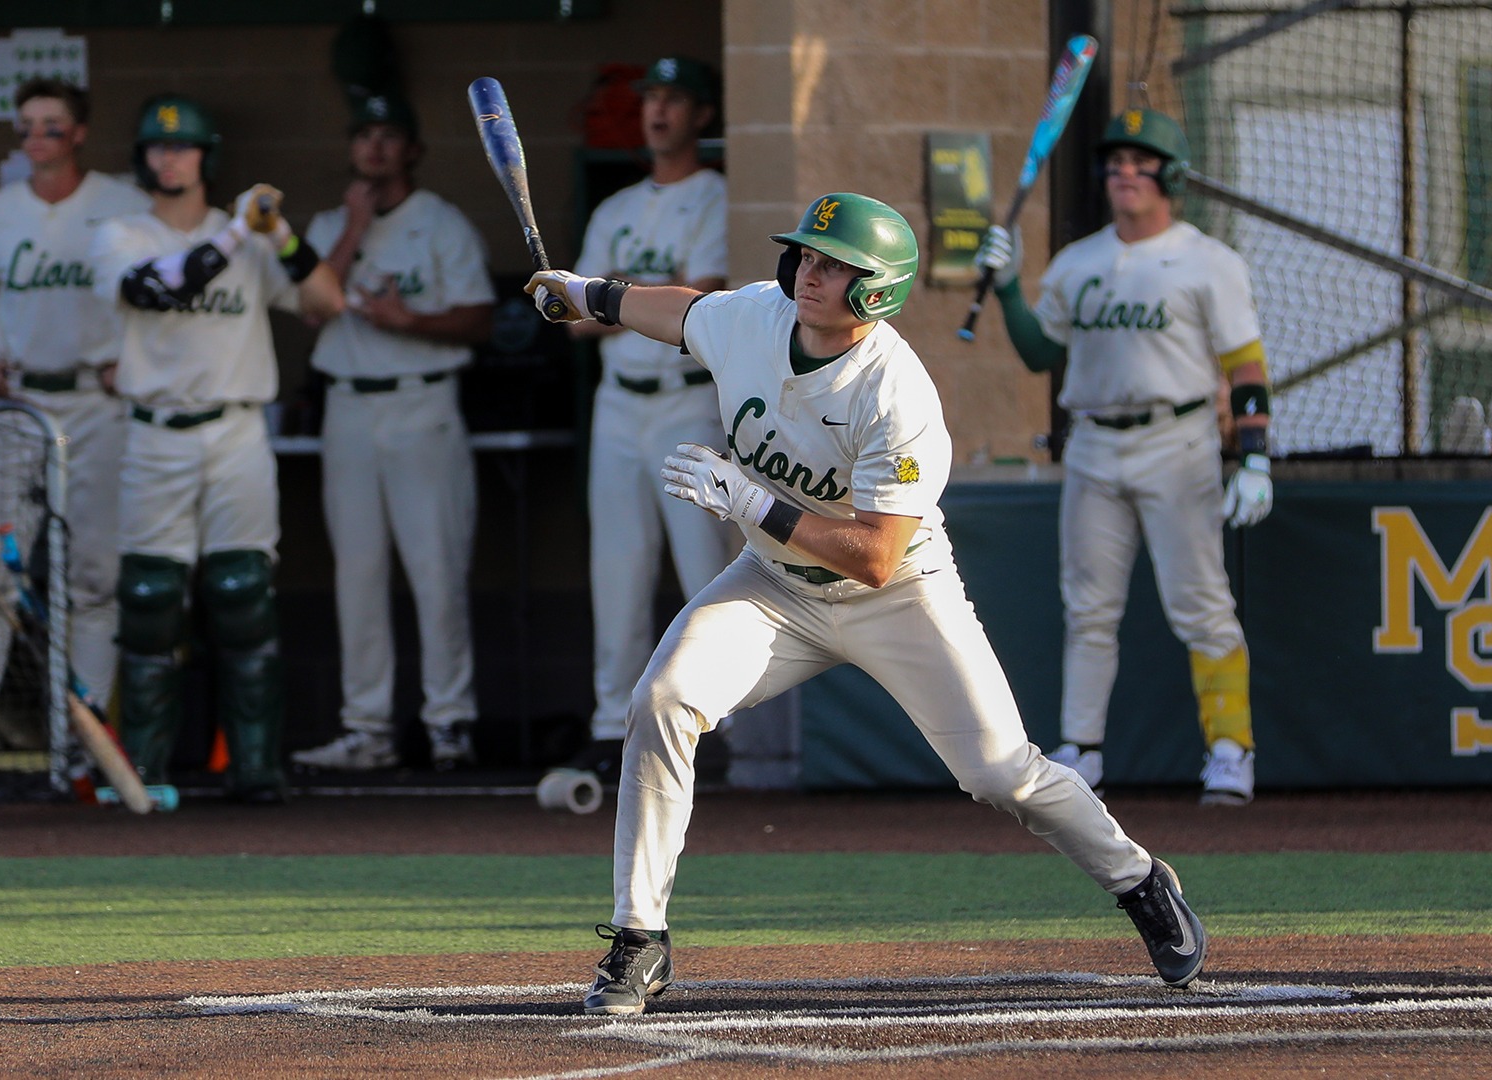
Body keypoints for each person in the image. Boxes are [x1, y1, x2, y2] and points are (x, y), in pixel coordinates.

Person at [527, 192, 1208, 1016]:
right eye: (806, 257)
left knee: (1001, 773)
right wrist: (586, 294)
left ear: (876, 289)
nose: (808, 275)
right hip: (775, 585)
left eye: (832, 266)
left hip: (901, 595)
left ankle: (1139, 881)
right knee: (662, 700)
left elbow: (877, 557)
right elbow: (682, 312)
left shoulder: (897, 391)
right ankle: (640, 938)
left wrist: (752, 502)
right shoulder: (756, 315)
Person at [974, 107, 1269, 804]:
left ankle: (1231, 749)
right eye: (1115, 163)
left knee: (1201, 603)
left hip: (1179, 439)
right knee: (1088, 606)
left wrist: (1255, 456)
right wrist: (1010, 287)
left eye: (1141, 162)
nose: (1124, 173)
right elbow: (1040, 353)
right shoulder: (1077, 262)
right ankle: (1082, 750)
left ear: (1172, 175)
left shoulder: (1209, 261)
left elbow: (1247, 365)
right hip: (1094, 442)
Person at [88, 94, 345, 803]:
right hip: (154, 431)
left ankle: (255, 767)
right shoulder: (120, 234)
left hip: (235, 430)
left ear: (208, 156)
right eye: (158, 146)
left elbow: (327, 301)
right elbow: (161, 289)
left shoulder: (250, 239)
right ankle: (141, 774)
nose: (170, 158)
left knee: (242, 592)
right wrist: (239, 231)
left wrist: (281, 234)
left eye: (184, 147)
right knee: (150, 597)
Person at [0, 78, 150, 763]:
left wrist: (141, 357)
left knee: (95, 576)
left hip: (98, 404)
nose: (37, 137)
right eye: (26, 125)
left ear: (79, 133)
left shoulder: (123, 205)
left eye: (52, 124)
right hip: (19, 404)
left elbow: (168, 292)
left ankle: (84, 735)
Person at [287, 93, 494, 773]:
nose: (374, 147)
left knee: (435, 569)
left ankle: (449, 723)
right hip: (348, 407)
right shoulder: (328, 224)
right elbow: (314, 309)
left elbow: (480, 319)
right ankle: (366, 727)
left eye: (388, 135)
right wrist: (354, 226)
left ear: (412, 149)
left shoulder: (440, 221)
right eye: (364, 135)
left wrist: (411, 323)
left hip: (422, 403)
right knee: (358, 573)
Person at [557, 56, 737, 787]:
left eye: (674, 99)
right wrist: (619, 300)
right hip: (618, 402)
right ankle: (614, 724)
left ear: (702, 114)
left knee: (705, 569)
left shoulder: (717, 196)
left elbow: (697, 302)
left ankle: (717, 725)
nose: (658, 111)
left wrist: (611, 297)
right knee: (618, 567)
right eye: (651, 98)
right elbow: (576, 319)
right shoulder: (616, 209)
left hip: (687, 398)